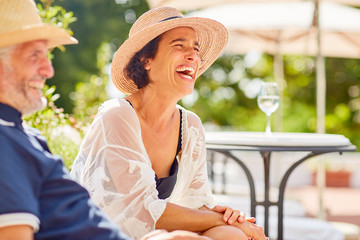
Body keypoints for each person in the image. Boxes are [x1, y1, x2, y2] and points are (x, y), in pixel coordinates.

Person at [0, 1, 209, 240]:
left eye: (46, 55)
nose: (48, 70)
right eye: (34, 55)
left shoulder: (29, 139)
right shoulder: (5, 142)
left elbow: (82, 216)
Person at [71, 7, 268, 240]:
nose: (193, 56)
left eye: (195, 48)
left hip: (154, 233)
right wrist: (218, 218)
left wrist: (232, 219)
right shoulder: (117, 115)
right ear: (146, 59)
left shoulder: (190, 126)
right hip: (103, 234)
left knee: (231, 234)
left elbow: (196, 204)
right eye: (179, 45)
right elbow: (143, 211)